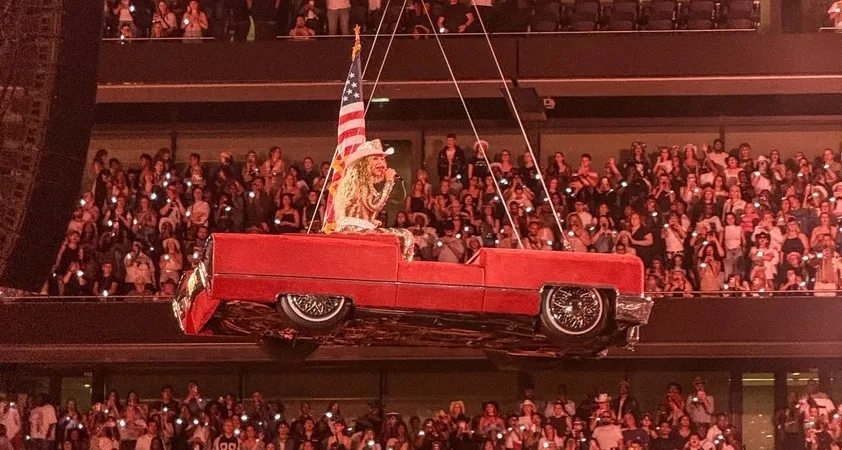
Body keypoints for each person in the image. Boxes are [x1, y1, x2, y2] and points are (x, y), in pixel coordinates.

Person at [330, 139, 414, 261]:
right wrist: (389, 182)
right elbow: (375, 205)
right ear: (364, 163)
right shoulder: (361, 182)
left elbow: (358, 209)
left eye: (382, 159)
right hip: (357, 230)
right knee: (406, 236)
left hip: (354, 228)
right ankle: (403, 269)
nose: (381, 163)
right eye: (375, 159)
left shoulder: (357, 181)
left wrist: (370, 220)